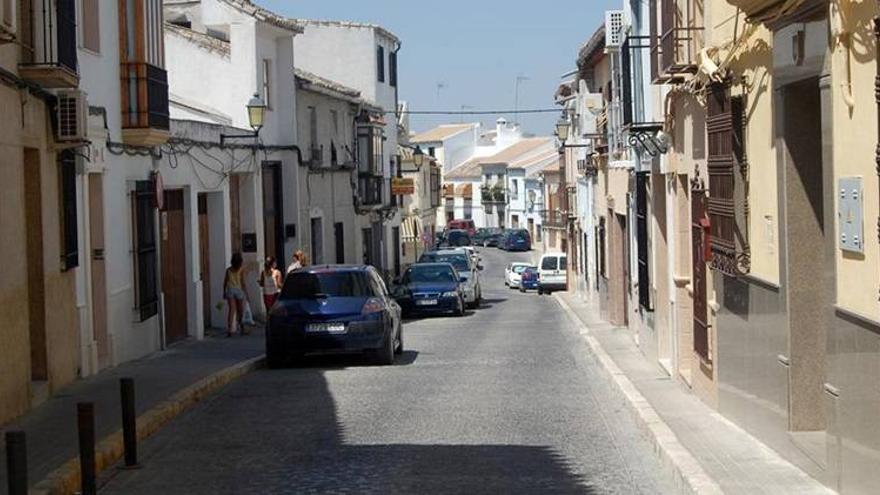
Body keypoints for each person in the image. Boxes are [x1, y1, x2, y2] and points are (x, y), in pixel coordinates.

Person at [223, 253, 246, 337]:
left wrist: (223, 292)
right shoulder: (241, 269)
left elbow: (225, 282)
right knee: (240, 309)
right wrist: (246, 292)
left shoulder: (228, 270)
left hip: (230, 289)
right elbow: (243, 282)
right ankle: (241, 326)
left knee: (232, 310)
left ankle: (230, 329)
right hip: (239, 289)